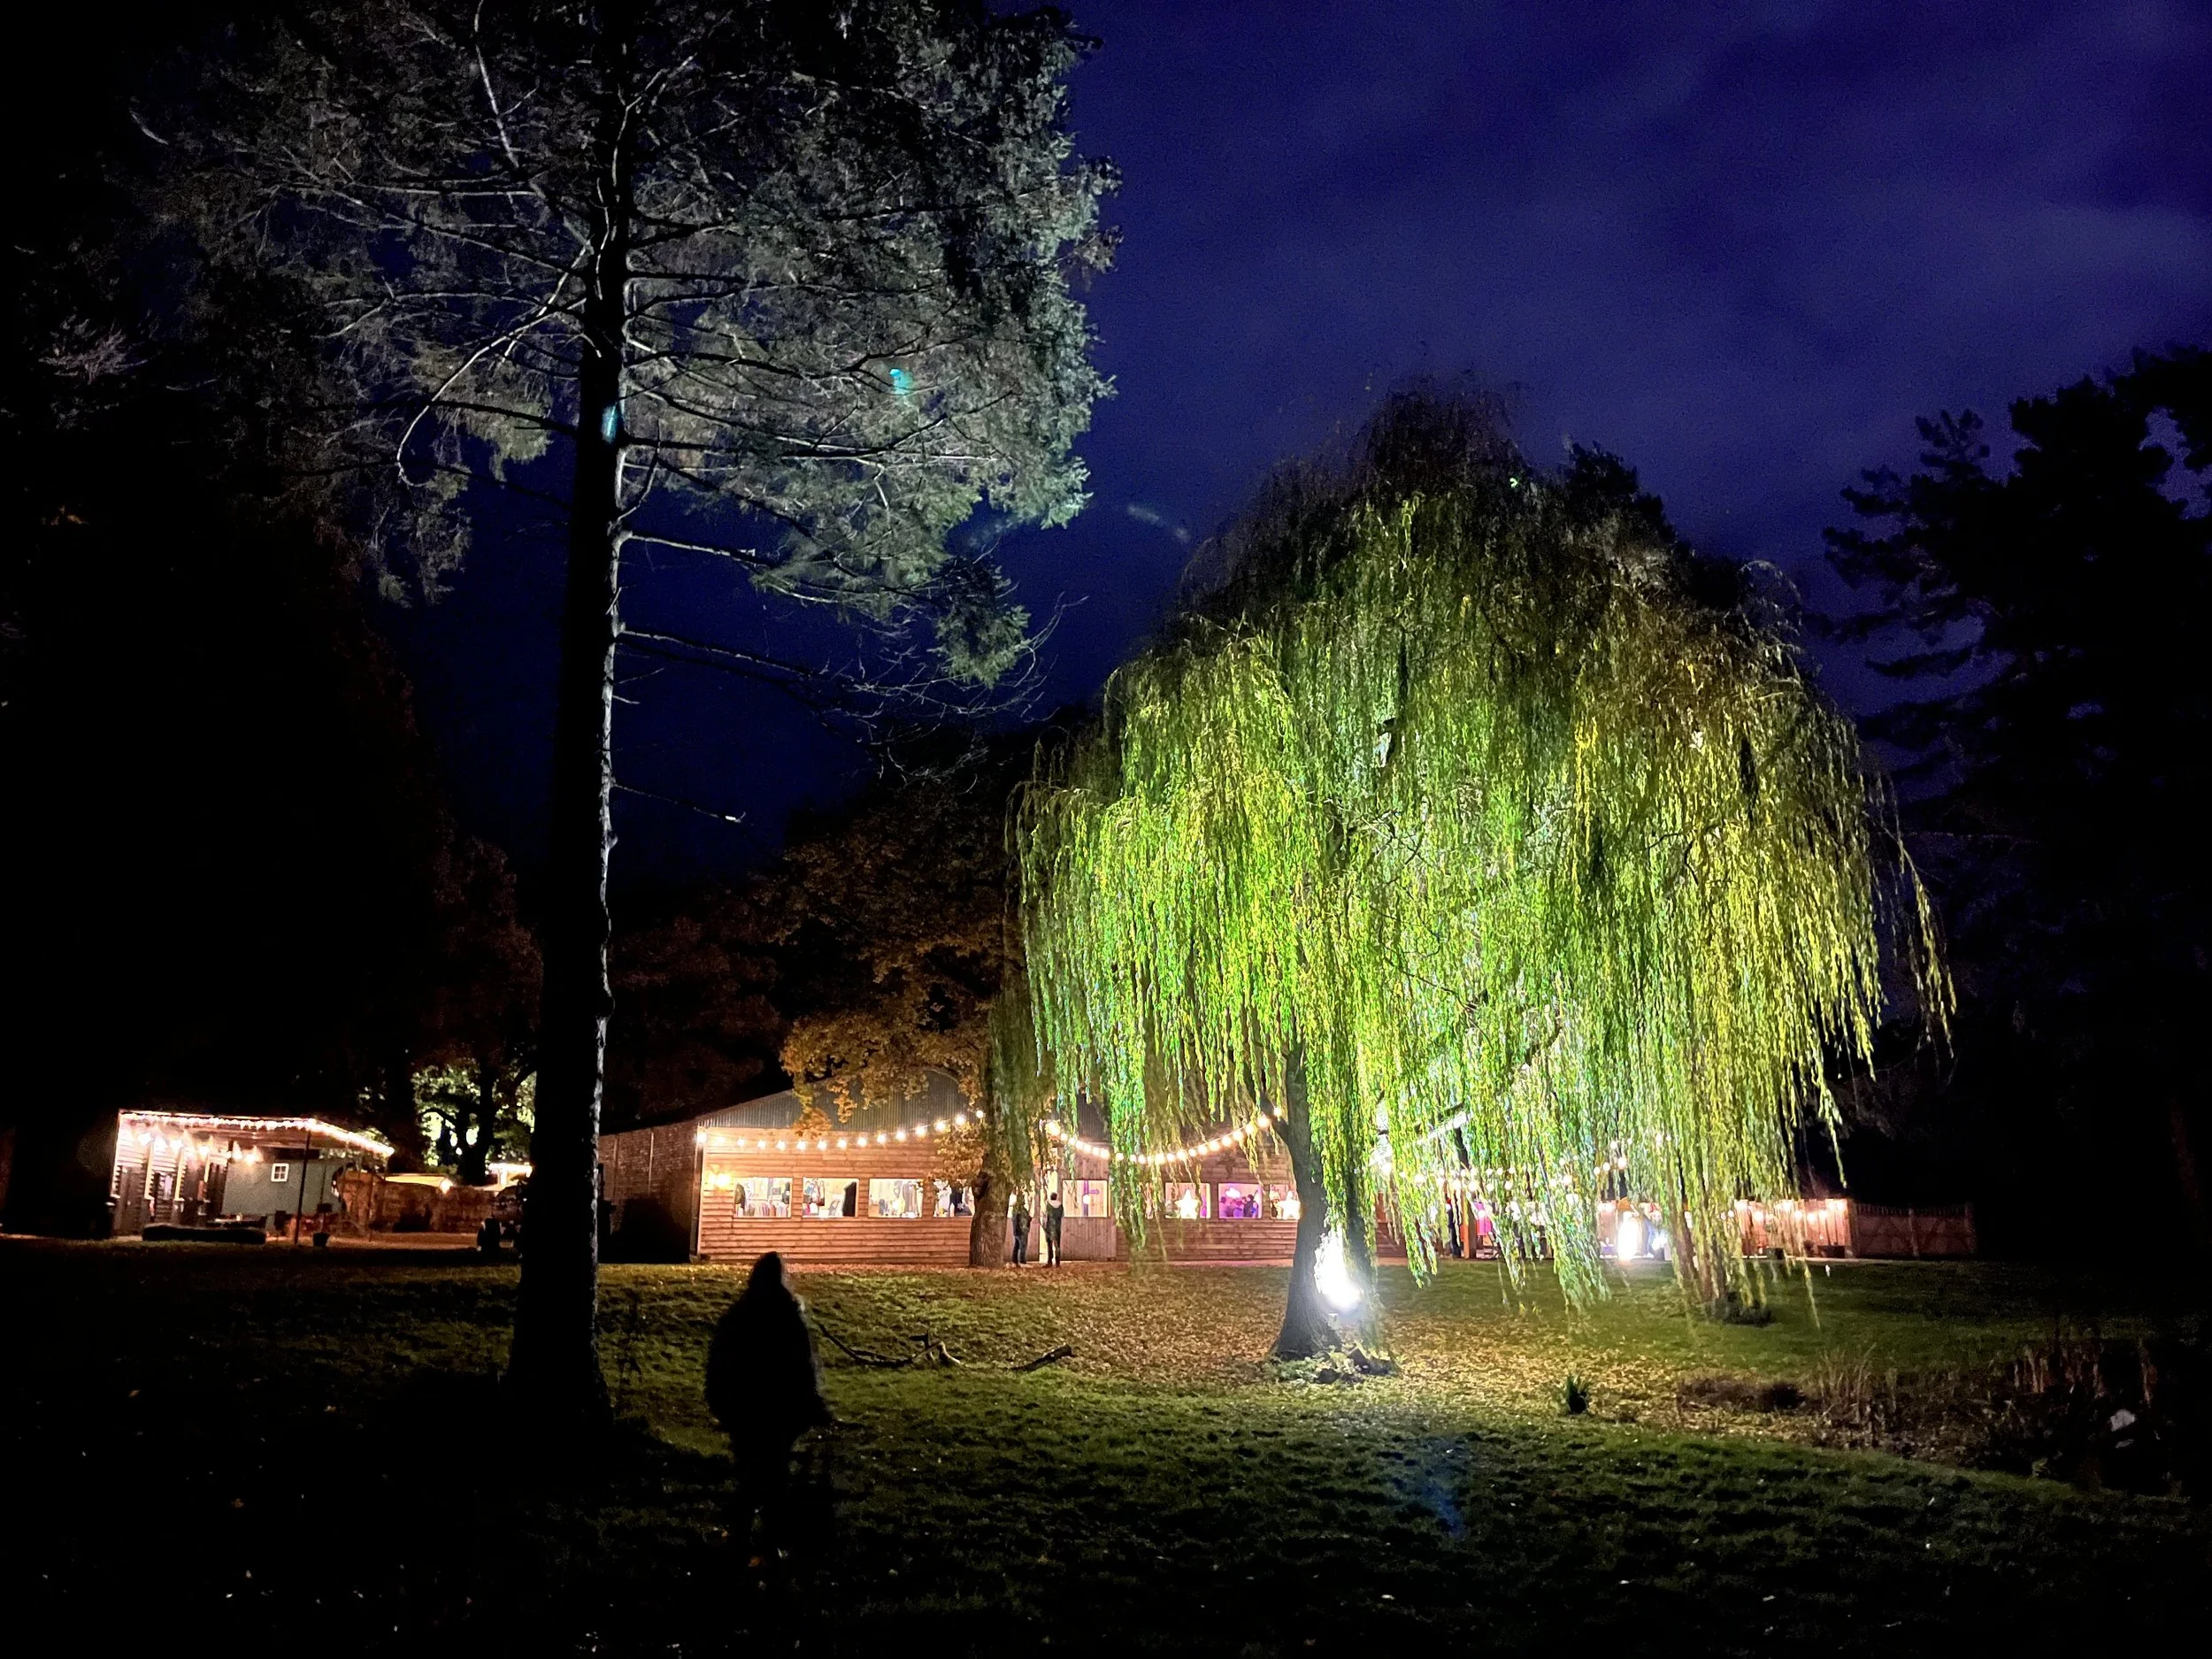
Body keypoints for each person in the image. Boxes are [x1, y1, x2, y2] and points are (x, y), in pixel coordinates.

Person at [705, 1252, 832, 1549]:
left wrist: (720, 1399)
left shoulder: (739, 1316)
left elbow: (719, 1362)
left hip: (746, 1409)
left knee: (749, 1475)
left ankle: (741, 1537)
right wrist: (811, 1401)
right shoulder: (788, 1316)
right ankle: (770, 1542)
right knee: (775, 1476)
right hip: (780, 1411)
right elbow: (802, 1364)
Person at [1042, 1188, 1064, 1266]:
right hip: (1057, 1227)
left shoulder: (1048, 1205)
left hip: (1049, 1228)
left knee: (1049, 1245)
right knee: (1057, 1245)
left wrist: (1044, 1226)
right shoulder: (1060, 1205)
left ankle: (1050, 1261)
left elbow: (1046, 1216)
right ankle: (1058, 1262)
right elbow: (1062, 1215)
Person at [1009, 1192, 1031, 1266]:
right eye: (1023, 1199)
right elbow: (1018, 1220)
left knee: (1017, 1245)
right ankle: (1022, 1261)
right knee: (1022, 1246)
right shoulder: (1019, 1209)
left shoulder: (1017, 1209)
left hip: (1019, 1230)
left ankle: (1015, 1260)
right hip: (1022, 1230)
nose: (1024, 1200)